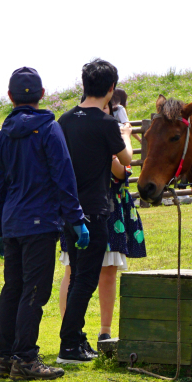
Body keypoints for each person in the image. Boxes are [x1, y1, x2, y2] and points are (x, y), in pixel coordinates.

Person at [0, 67, 89, 380]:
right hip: (40, 222)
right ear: (43, 95)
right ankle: (26, 359)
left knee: (13, 288)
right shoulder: (48, 129)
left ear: (10, 97)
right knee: (34, 291)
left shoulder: (3, 135)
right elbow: (64, 176)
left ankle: (4, 359)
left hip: (12, 222)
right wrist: (77, 220)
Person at [56, 59, 133, 364]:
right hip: (95, 210)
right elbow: (126, 159)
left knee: (76, 277)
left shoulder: (64, 120)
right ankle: (69, 346)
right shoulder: (106, 124)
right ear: (111, 89)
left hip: (68, 211)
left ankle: (75, 339)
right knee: (86, 281)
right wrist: (125, 132)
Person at [58, 101, 146, 342]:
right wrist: (125, 135)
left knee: (88, 273)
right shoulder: (102, 132)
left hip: (90, 208)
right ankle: (84, 331)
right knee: (87, 274)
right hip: (101, 208)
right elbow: (121, 169)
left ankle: (90, 329)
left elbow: (121, 170)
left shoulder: (76, 126)